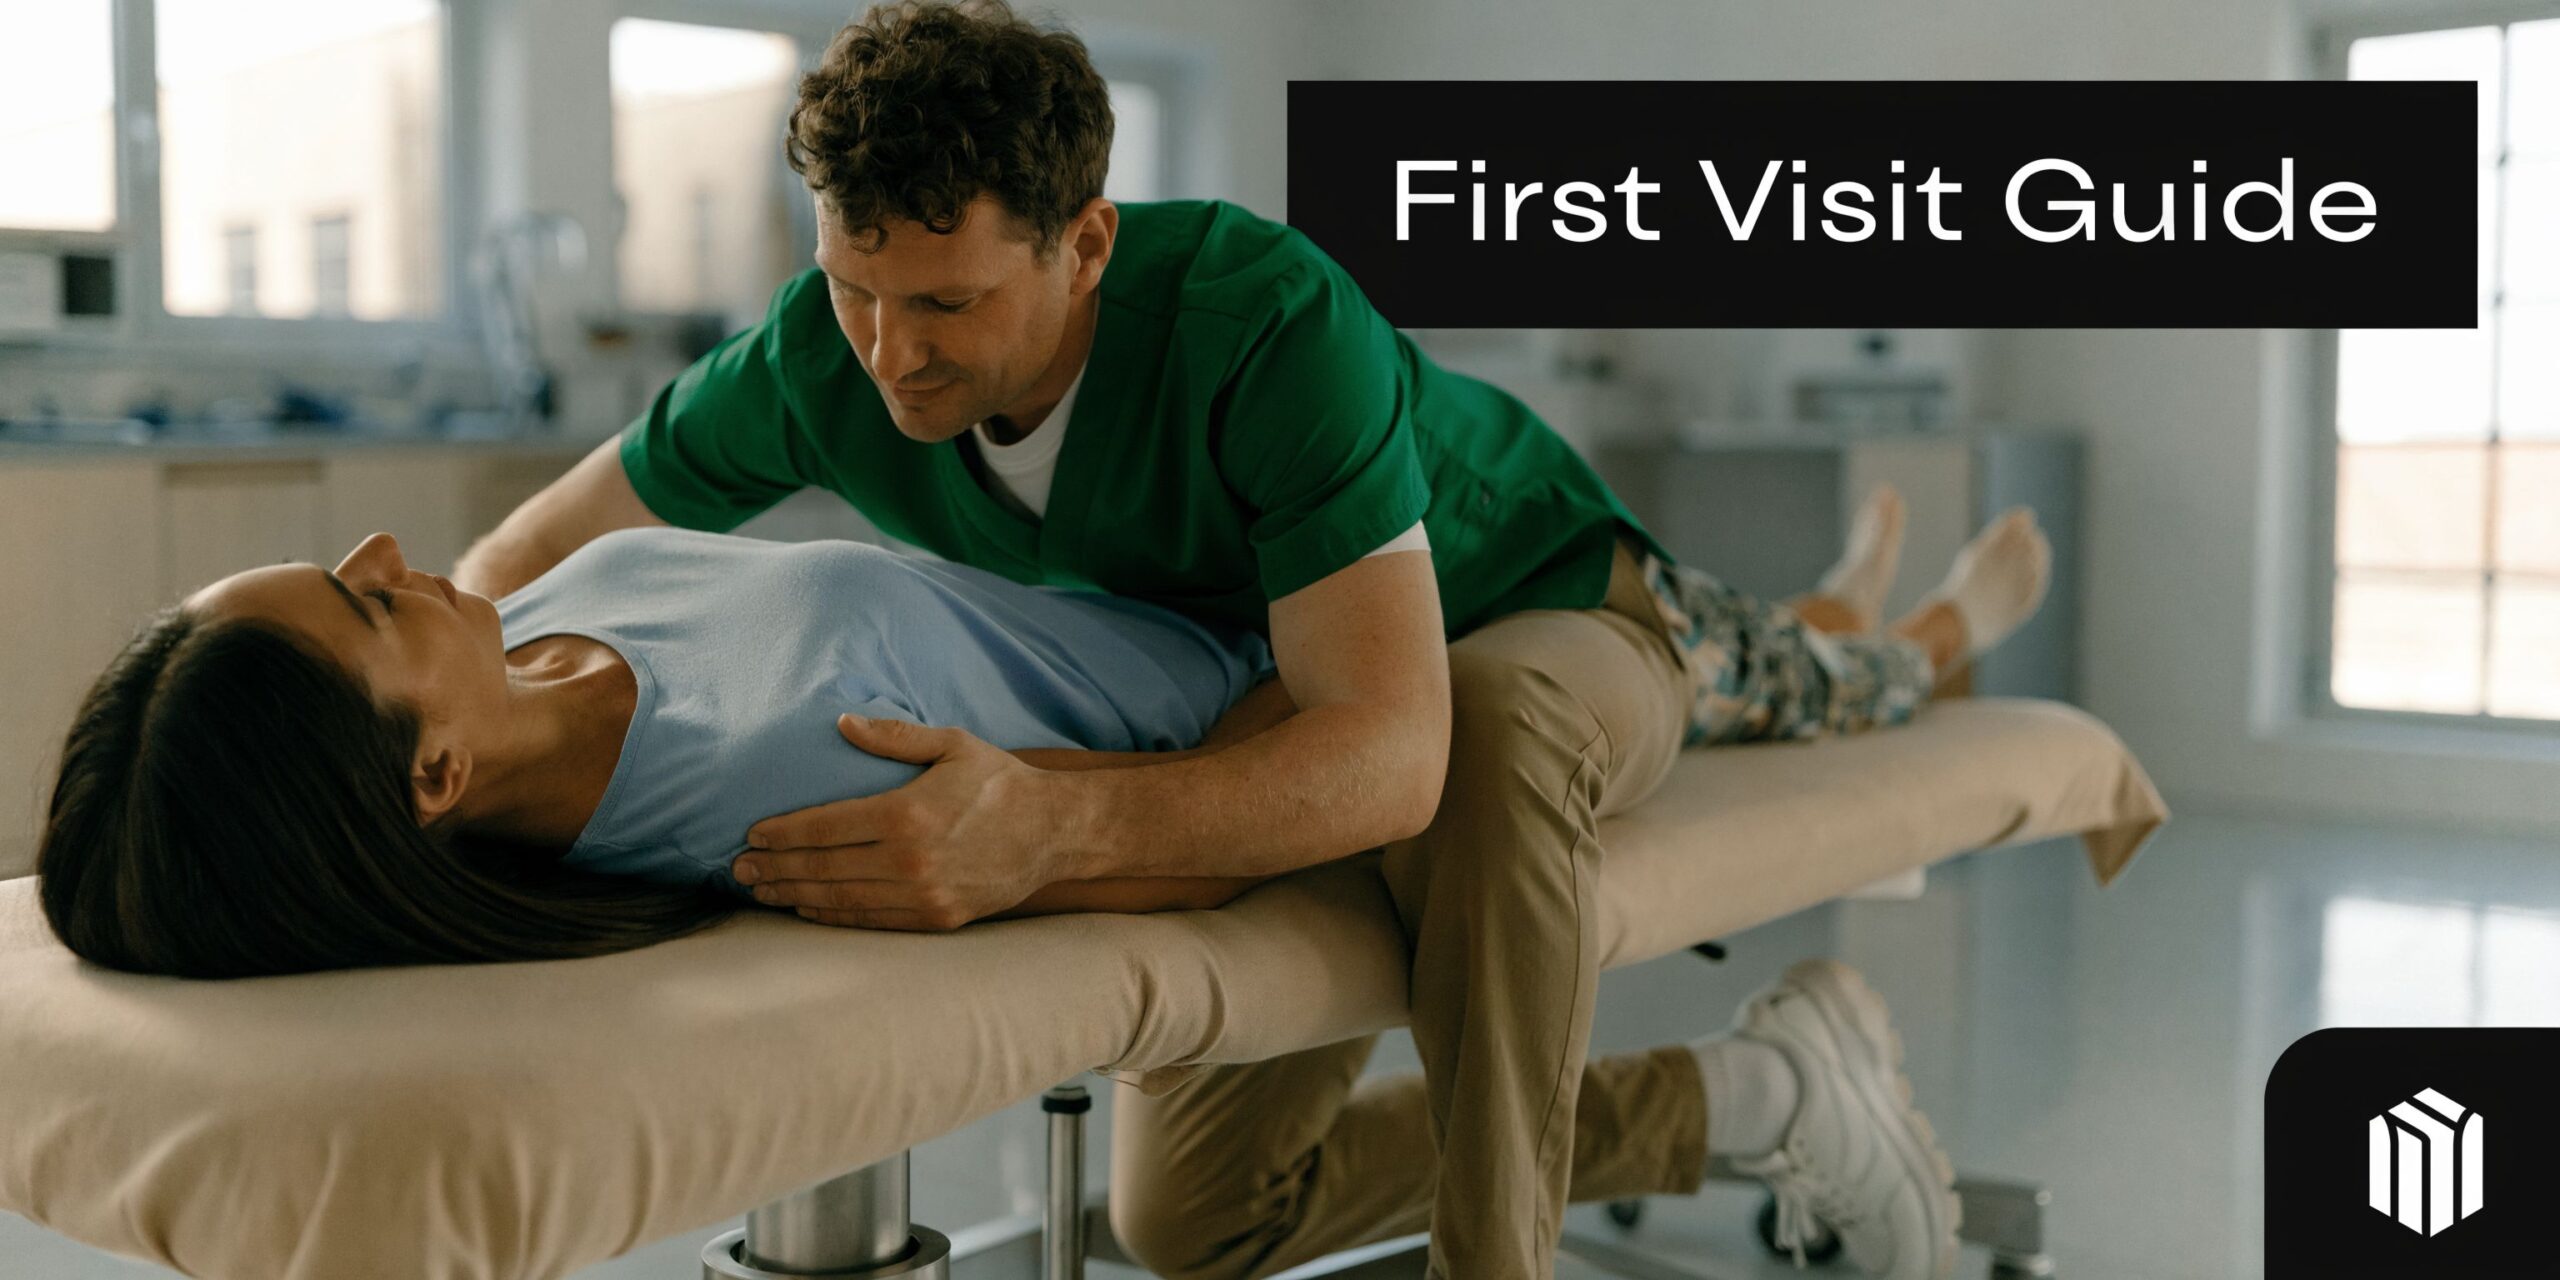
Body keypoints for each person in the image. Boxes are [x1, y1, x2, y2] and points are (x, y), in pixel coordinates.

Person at [446, 4, 2055, 1277]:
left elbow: (1393, 751)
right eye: (856, 288)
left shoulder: (1261, 320)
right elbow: (520, 564)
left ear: (1085, 244)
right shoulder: (820, 355)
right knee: (1196, 1222)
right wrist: (431, 743)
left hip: (1534, 598)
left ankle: (1915, 629)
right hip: (1275, 676)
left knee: (1546, 718)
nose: (891, 354)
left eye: (945, 305)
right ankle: (1765, 1084)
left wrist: (1051, 828)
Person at [36, 525, 1296, 980]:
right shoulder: (794, 786)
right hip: (1269, 660)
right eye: (366, 603)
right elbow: (1213, 834)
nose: (382, 551)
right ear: (434, 775)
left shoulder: (507, 635)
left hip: (1178, 557)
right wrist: (1342, 691)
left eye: (332, 564)